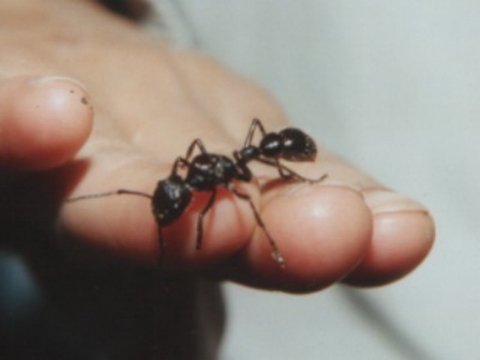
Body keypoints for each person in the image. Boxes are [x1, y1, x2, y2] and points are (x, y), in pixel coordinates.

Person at [0, 1, 434, 359]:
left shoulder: (213, 183)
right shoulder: (197, 177)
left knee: (249, 196)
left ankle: (293, 185)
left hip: (276, 155)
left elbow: (230, 187)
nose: (176, 202)